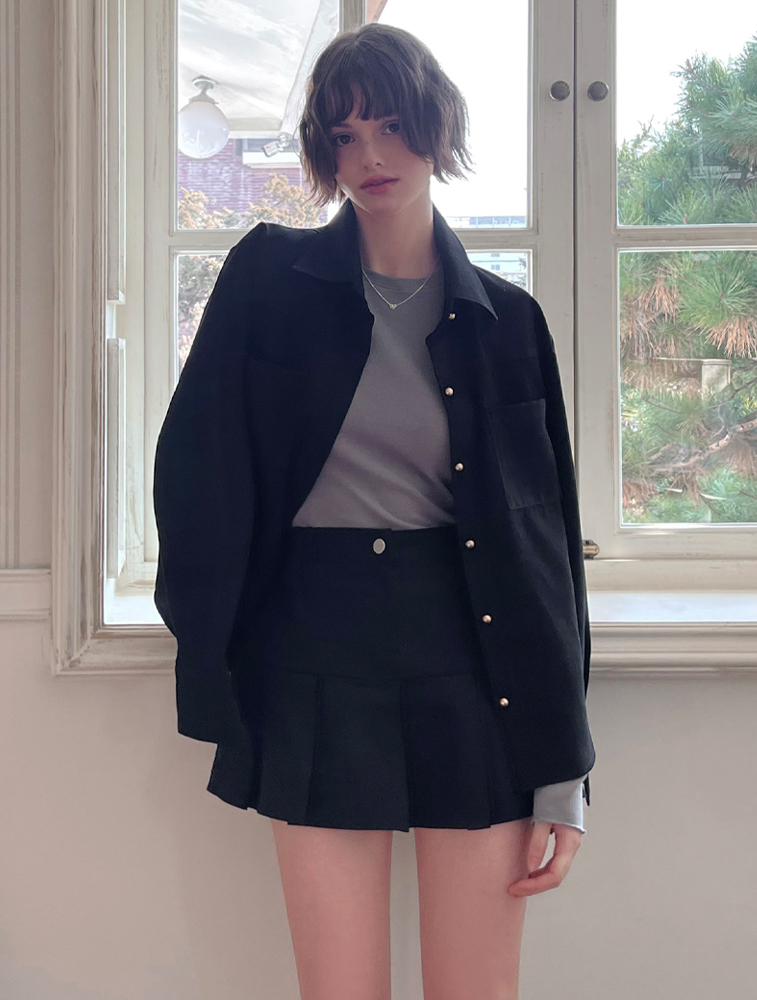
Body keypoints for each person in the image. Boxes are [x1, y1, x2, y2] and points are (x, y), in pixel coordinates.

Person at [153, 21, 595, 1000]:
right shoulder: (267, 281)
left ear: (437, 130)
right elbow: (195, 471)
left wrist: (563, 768)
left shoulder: (505, 323)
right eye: (344, 135)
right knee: (339, 989)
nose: (370, 156)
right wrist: (209, 644)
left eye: (392, 126)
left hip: (473, 667)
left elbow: (542, 546)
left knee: (474, 990)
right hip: (313, 660)